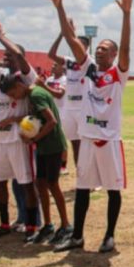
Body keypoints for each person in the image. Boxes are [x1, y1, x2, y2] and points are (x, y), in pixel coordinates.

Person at [49, 0, 132, 254]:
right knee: (82, 188)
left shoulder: (119, 74)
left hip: (109, 141)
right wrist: (59, 7)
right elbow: (72, 40)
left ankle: (109, 236)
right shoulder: (87, 68)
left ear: (114, 55)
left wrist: (127, 15)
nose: (99, 52)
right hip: (86, 138)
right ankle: (78, 236)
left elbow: (127, 45)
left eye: (106, 50)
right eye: (99, 49)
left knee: (112, 190)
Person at [0, 22, 41, 242]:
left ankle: (32, 225)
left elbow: (19, 55)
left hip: (19, 139)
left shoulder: (26, 76)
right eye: (5, 56)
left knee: (27, 183)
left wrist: (1, 36)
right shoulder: (0, 75)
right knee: (0, 182)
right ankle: (4, 223)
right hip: (0, 139)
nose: (7, 58)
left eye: (10, 55)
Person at [0, 73, 72, 245]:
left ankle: (66, 225)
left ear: (19, 85)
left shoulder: (36, 95)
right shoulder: (32, 94)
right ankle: (47, 225)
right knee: (40, 184)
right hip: (43, 147)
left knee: (53, 184)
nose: (13, 98)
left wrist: (34, 139)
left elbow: (51, 121)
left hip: (52, 145)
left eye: (12, 94)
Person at [48, 32, 91, 168]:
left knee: (88, 144)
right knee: (75, 144)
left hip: (84, 107)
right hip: (70, 108)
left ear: (86, 47)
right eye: (73, 44)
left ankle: (93, 176)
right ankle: (82, 177)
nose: (75, 46)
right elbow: (51, 55)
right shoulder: (69, 62)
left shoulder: (90, 62)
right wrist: (61, 34)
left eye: (79, 44)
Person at [37, 61, 68, 174]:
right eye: (53, 65)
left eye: (56, 65)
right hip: (49, 111)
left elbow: (59, 94)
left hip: (61, 112)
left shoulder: (64, 79)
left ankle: (63, 165)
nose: (53, 66)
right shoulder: (49, 79)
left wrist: (43, 86)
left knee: (61, 140)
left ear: (62, 68)